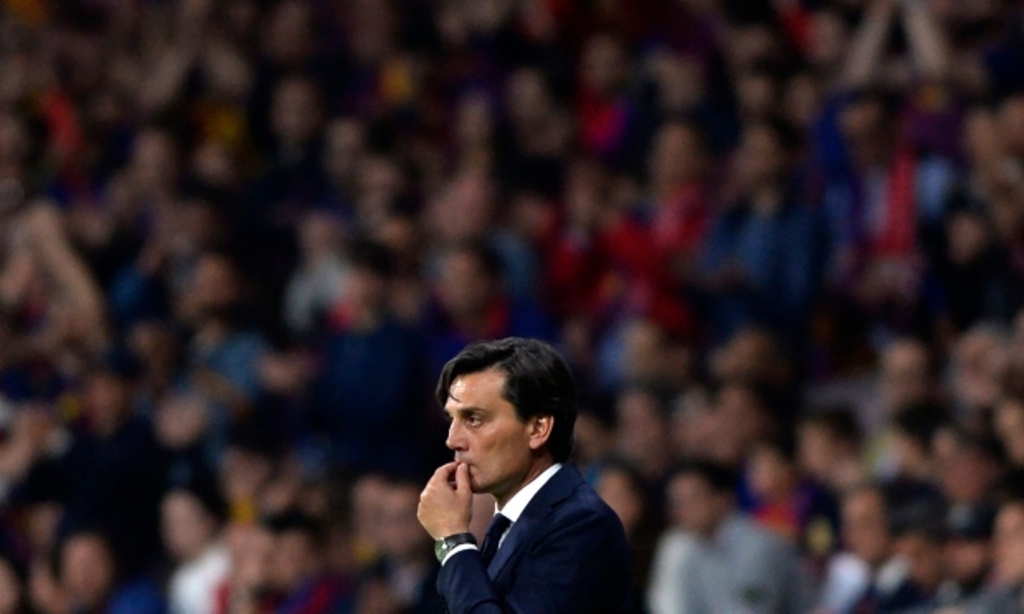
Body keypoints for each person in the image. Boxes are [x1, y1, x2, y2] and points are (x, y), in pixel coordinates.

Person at [416, 337, 632, 613]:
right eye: (452, 420)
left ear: (538, 429)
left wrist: (454, 542)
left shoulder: (582, 524)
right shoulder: (511, 523)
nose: (452, 440)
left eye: (474, 419)